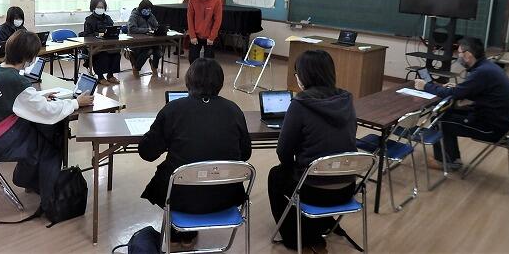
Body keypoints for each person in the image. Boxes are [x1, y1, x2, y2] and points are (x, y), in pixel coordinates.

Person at [0, 30, 93, 211]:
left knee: (40, 132)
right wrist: (76, 102)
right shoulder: (16, 82)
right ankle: (46, 195)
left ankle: (28, 180)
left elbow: (13, 100)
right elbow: (48, 113)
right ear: (28, 57)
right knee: (50, 144)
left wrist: (38, 97)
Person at [139, 58, 251, 246]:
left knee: (172, 172)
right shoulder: (234, 110)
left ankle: (178, 233)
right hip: (226, 196)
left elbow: (147, 153)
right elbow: (245, 154)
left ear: (188, 80)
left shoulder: (173, 109)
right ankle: (187, 234)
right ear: (220, 82)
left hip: (180, 197)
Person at [268, 50, 357, 251]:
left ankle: (295, 238)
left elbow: (283, 151)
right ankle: (322, 223)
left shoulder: (300, 104)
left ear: (304, 76)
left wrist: (294, 167)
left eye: (297, 73)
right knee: (301, 174)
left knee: (276, 175)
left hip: (313, 191)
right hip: (347, 188)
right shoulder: (347, 99)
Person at [415, 37, 509, 170]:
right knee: (444, 112)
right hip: (498, 120)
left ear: (468, 55)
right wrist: (459, 89)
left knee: (440, 121)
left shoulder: (482, 72)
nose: (458, 56)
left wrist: (425, 86)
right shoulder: (487, 67)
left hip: (492, 128)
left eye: (459, 53)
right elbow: (473, 91)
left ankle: (447, 162)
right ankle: (452, 157)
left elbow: (454, 95)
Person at [81, 0, 122, 85]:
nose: (101, 9)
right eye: (98, 7)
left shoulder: (108, 18)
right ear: (93, 7)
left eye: (102, 7)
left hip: (108, 43)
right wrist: (99, 34)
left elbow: (112, 29)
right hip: (95, 45)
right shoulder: (89, 20)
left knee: (116, 53)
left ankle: (110, 75)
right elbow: (87, 35)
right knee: (102, 54)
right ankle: (100, 77)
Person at [186, 0, 223, 64]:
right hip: (196, 35)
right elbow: (190, 18)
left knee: (209, 62)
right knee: (192, 59)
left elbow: (217, 21)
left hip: (209, 36)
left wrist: (212, 37)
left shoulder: (217, 0)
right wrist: (192, 36)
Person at [127, 0, 162, 77]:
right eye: (146, 9)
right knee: (148, 51)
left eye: (149, 9)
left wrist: (158, 28)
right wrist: (147, 30)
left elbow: (156, 25)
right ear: (141, 8)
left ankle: (154, 66)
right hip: (137, 42)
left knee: (158, 51)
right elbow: (132, 29)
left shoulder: (150, 15)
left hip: (150, 41)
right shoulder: (134, 15)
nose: (148, 11)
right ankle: (136, 68)